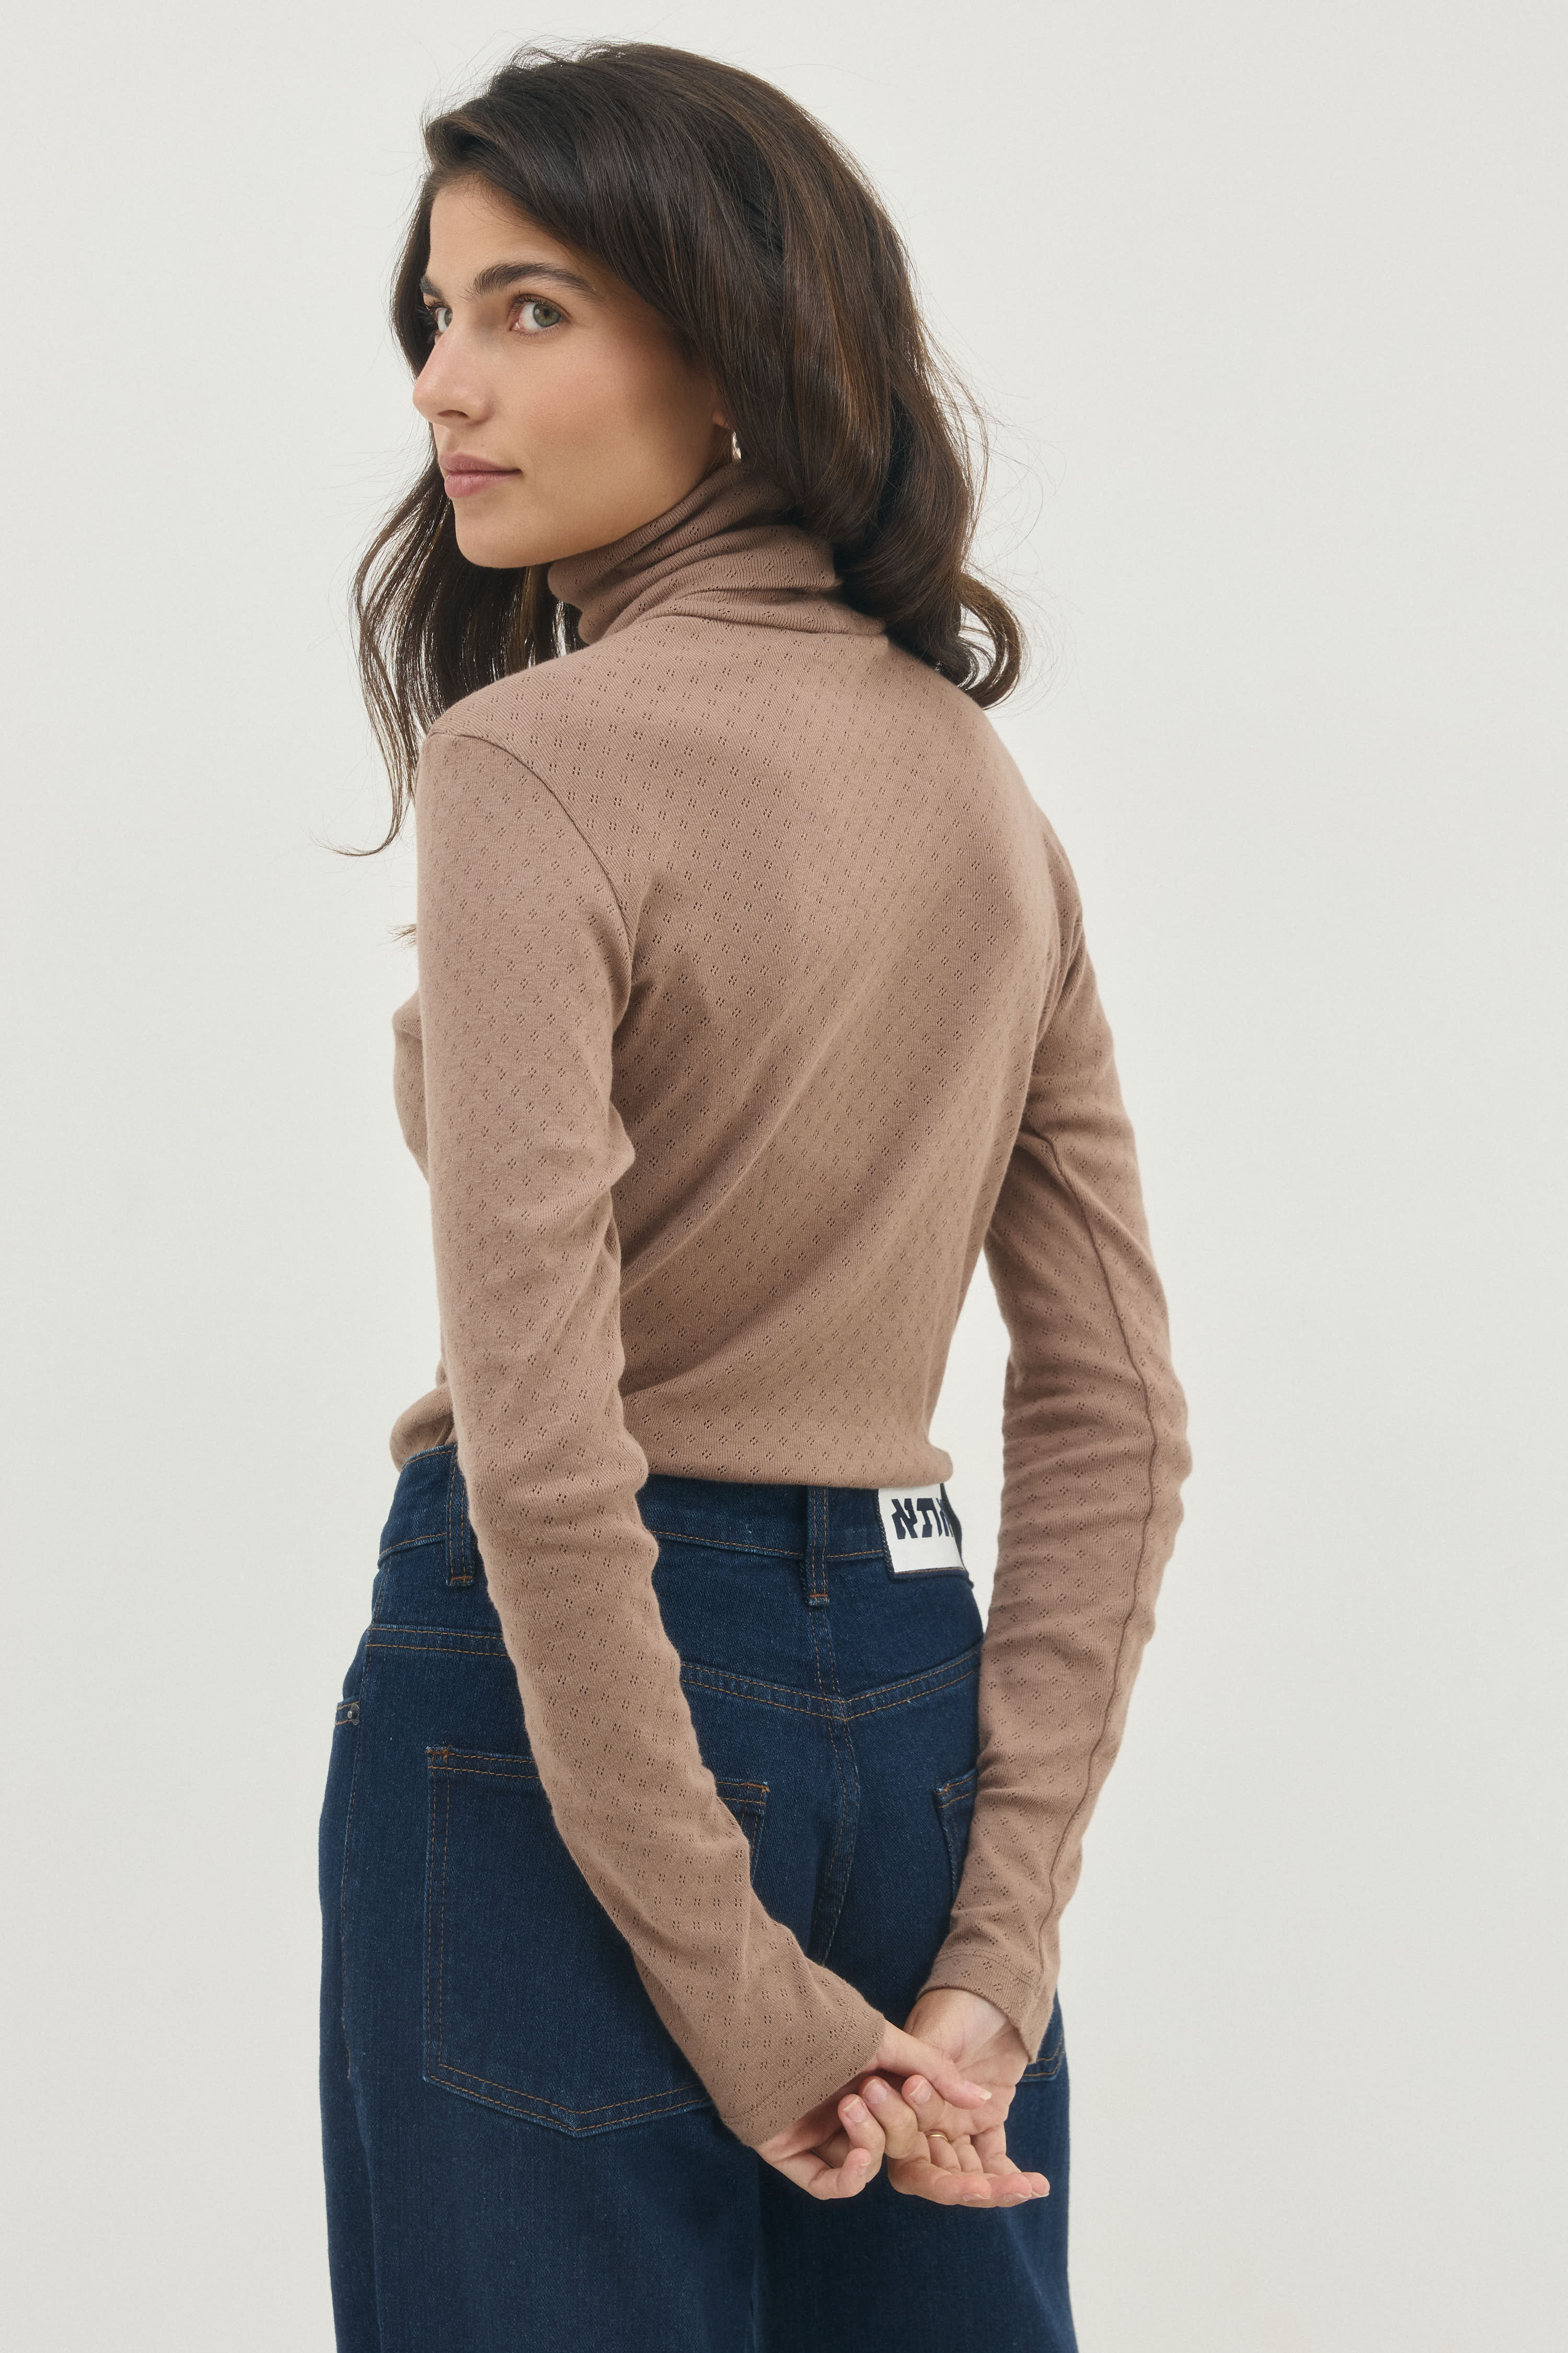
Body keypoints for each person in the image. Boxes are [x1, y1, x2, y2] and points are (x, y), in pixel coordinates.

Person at [318, 38, 1191, 2353]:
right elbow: (1117, 1410)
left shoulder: (530, 765)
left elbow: (543, 1437)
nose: (444, 385)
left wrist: (732, 1987)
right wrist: (991, 1958)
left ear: (730, 349)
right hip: (911, 1718)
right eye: (436, 316)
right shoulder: (982, 797)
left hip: (554, 1725)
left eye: (531, 309)